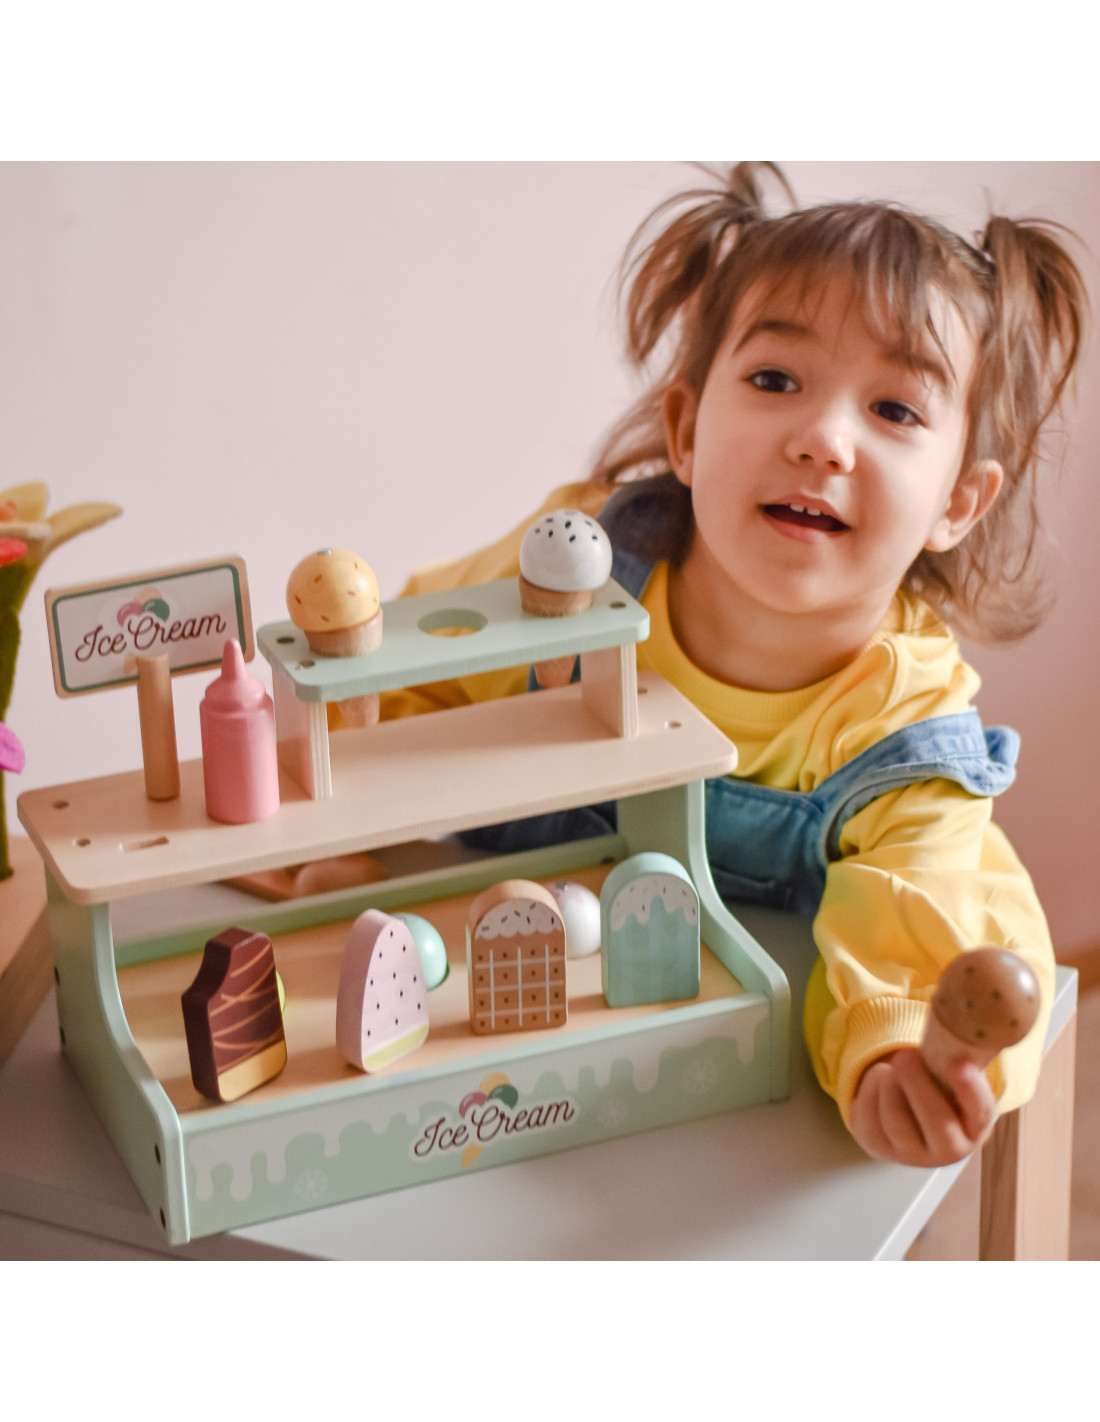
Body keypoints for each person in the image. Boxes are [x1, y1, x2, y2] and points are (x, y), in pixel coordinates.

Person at [380, 163, 1088, 1168]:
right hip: (492, 1025)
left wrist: (895, 1053)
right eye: (774, 381)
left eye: (894, 410)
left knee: (973, 910)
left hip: (725, 1090)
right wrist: (329, 806)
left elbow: (911, 918)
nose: (822, 439)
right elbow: (412, 666)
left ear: (957, 503)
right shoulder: (576, 575)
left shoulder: (906, 731)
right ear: (684, 430)